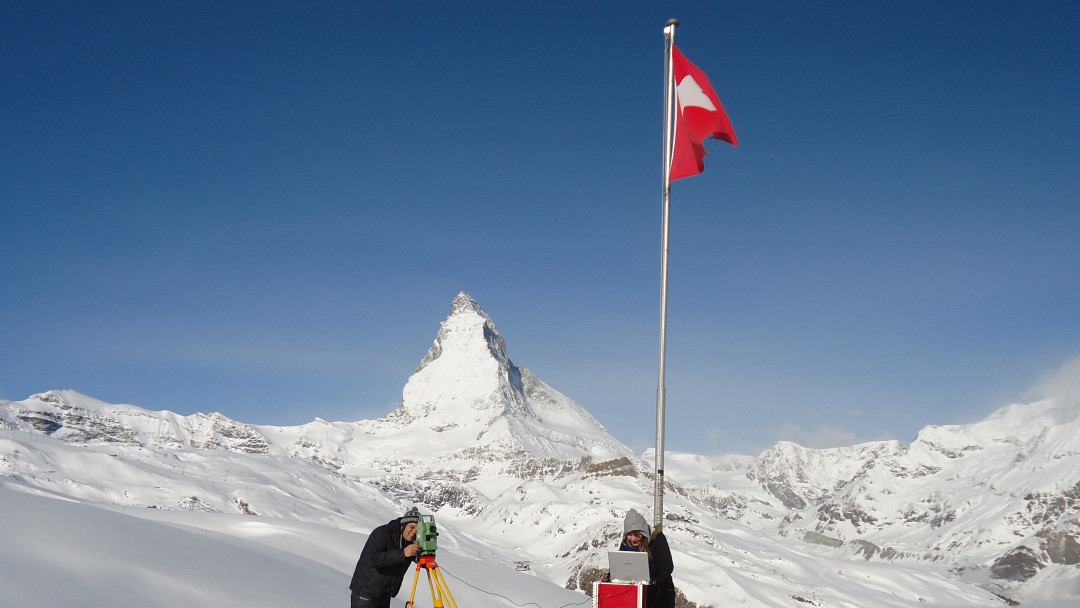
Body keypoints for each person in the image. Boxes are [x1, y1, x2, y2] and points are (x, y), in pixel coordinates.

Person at [349, 507, 422, 608]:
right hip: (366, 594)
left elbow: (419, 560)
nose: (414, 531)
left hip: (385, 594)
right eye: (412, 527)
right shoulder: (383, 533)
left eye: (418, 529)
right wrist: (402, 553)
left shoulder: (411, 540)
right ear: (404, 525)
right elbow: (371, 559)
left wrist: (425, 554)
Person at [605, 508, 676, 608]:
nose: (633, 539)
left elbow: (667, 566)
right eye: (630, 535)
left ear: (644, 533)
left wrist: (653, 578)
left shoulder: (657, 539)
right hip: (637, 596)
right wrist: (610, 575)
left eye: (637, 535)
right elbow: (622, 563)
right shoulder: (626, 544)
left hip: (661, 595)